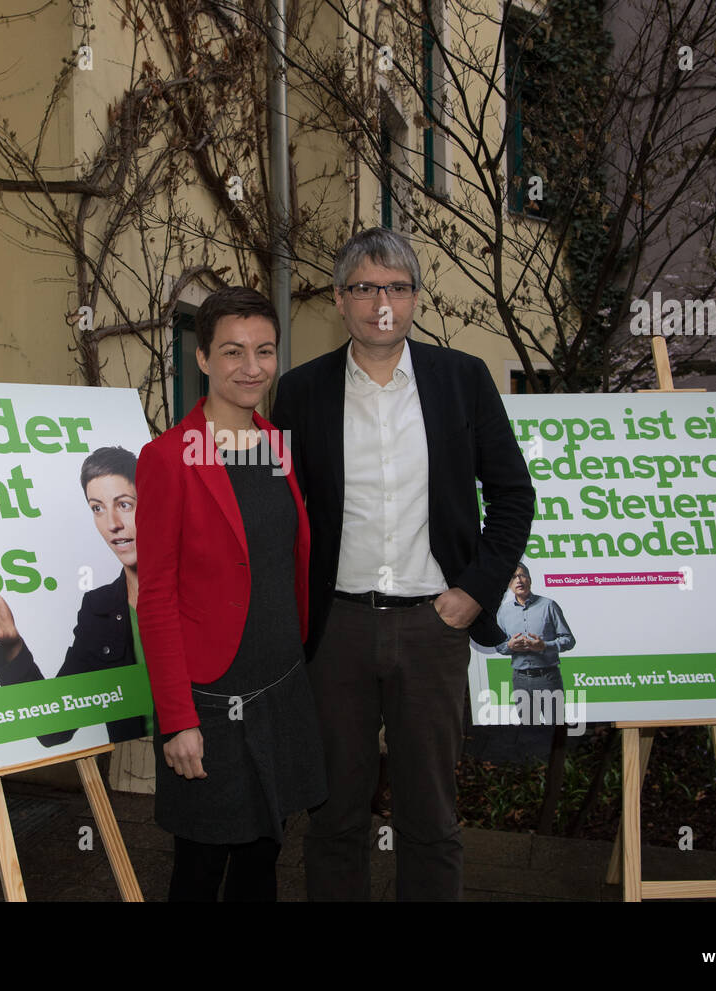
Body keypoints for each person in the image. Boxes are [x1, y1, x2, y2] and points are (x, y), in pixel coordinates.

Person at [271, 227, 535, 901]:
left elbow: (512, 493)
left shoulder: (462, 380)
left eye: (395, 286)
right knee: (332, 817)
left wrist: (476, 590)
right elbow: (284, 512)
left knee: (431, 819)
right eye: (364, 287)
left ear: (416, 297)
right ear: (339, 299)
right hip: (335, 631)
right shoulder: (301, 391)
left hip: (433, 628)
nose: (380, 302)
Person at [135, 285, 327, 902]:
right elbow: (156, 595)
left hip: (279, 685)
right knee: (199, 865)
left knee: (262, 862)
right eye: (233, 352)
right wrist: (177, 720)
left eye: (265, 351)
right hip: (212, 700)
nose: (252, 368)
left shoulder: (277, 446)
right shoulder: (167, 459)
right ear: (203, 358)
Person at [0, 447, 150, 745]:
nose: (112, 523)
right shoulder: (99, 610)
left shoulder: (205, 590)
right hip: (143, 774)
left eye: (124, 504)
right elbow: (55, 727)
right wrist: (13, 646)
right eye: (97, 508)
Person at [495, 562, 576, 723]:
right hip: (520, 679)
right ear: (508, 584)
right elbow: (499, 646)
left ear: (529, 579)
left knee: (556, 729)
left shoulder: (549, 606)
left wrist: (545, 646)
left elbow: (569, 640)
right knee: (528, 733)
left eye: (522, 575)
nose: (518, 580)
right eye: (513, 577)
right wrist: (509, 647)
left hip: (548, 677)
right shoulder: (503, 612)